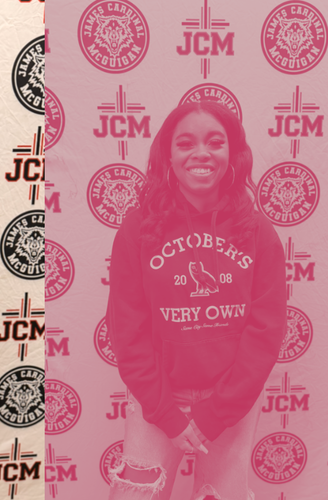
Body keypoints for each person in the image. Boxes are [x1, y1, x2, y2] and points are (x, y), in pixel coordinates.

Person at [106, 101, 286, 500]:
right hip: (157, 397)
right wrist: (167, 415)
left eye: (215, 142)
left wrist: (216, 413)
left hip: (231, 401)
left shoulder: (257, 231)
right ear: (168, 155)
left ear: (232, 153)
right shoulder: (138, 229)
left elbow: (265, 333)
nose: (201, 153)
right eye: (186, 143)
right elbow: (128, 331)